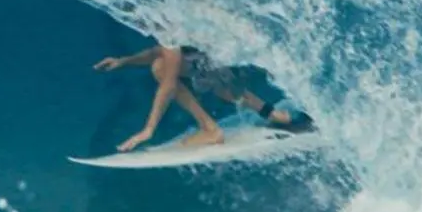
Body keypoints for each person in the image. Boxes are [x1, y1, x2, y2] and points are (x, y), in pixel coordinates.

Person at [92, 42, 311, 154]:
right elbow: (158, 51)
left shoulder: (172, 31)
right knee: (221, 88)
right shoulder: (175, 13)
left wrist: (148, 130)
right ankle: (281, 117)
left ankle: (211, 130)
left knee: (161, 69)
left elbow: (168, 83)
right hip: (239, 60)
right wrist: (124, 61)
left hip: (232, 67)